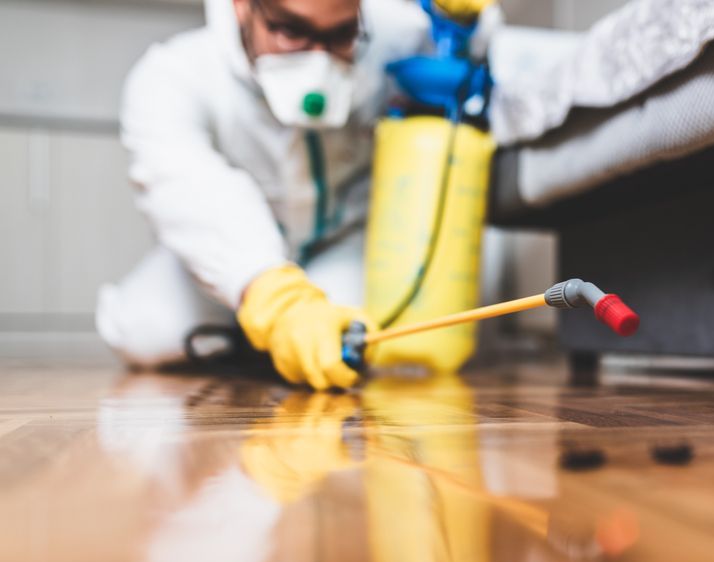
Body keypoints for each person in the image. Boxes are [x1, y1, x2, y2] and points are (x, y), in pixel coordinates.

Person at [96, 0, 492, 391]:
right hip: (229, 248)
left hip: (340, 242)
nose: (318, 61)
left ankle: (255, 342)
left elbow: (481, 39)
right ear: (241, 6)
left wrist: (464, 18)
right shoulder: (176, 73)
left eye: (340, 35)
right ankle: (255, 326)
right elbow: (186, 184)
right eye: (290, 31)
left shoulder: (391, 31)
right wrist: (275, 298)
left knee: (355, 335)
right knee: (147, 331)